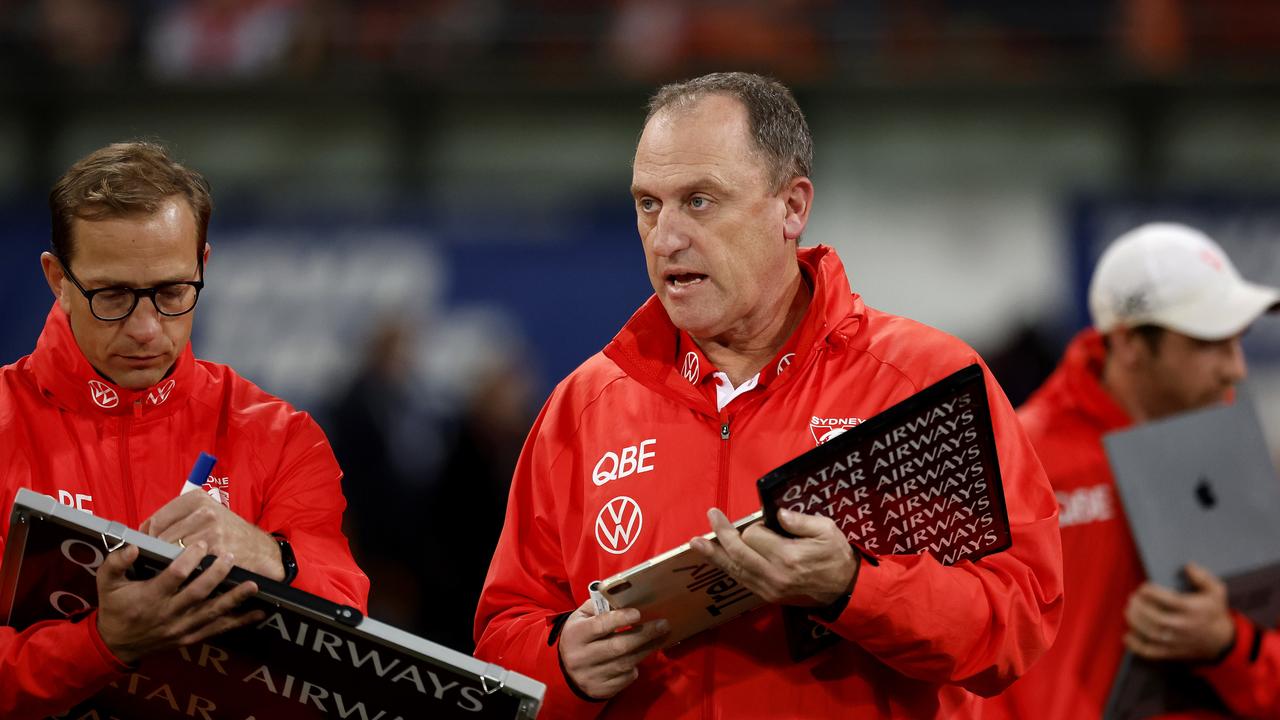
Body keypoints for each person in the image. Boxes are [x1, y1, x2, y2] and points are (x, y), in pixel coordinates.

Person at [473, 71, 1063, 718]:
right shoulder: (584, 407)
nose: (665, 237)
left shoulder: (922, 383)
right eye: (648, 204)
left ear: (792, 208)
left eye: (699, 200)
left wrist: (852, 588)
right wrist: (563, 665)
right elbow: (504, 630)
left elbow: (1018, 616)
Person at [0, 141, 369, 718]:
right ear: (57, 279)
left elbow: (353, 641)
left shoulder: (280, 436)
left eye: (172, 292)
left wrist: (275, 558)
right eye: (114, 296)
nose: (146, 329)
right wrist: (100, 645)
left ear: (203, 266)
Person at [992, 222, 1280, 719]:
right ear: (1128, 343)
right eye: (1209, 344)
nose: (1236, 369)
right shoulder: (1019, 460)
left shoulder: (1235, 453)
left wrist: (1226, 644)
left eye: (1239, 341)